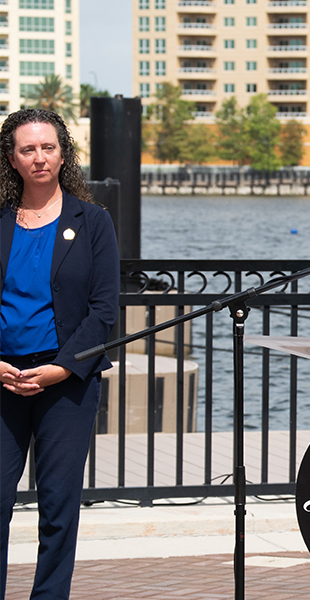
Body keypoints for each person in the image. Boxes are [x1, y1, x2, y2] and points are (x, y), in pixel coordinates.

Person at [0, 109, 120, 599]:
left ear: (63, 153)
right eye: (27, 149)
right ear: (11, 159)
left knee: (57, 507)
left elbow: (104, 309)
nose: (38, 157)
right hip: (3, 379)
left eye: (47, 147)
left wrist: (58, 369)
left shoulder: (92, 222)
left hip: (65, 383)